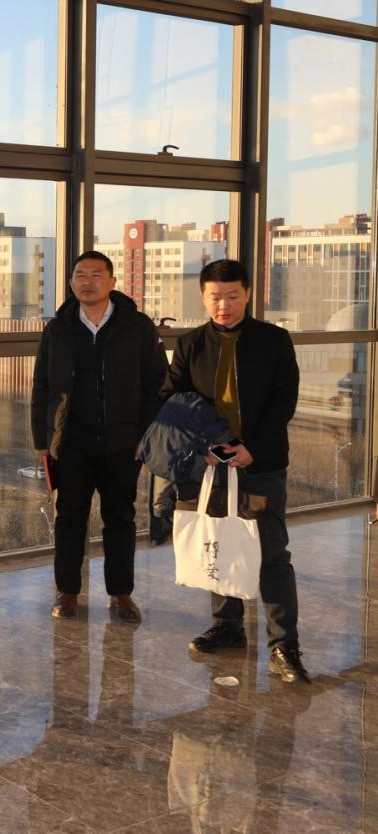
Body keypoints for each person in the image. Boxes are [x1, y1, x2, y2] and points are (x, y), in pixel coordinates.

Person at [165, 258, 309, 684]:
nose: (223, 305)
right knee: (219, 541)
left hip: (260, 464)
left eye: (232, 296)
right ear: (203, 297)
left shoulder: (274, 340)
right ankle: (227, 626)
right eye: (215, 297)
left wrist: (252, 448)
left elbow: (283, 401)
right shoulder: (190, 343)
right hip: (211, 464)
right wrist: (203, 447)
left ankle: (284, 645)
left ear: (247, 294)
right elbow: (173, 399)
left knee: (271, 554)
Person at [31, 250, 167, 623]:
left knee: (120, 518)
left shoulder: (137, 326)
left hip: (123, 443)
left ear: (112, 282)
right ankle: (67, 592)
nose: (87, 282)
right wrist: (43, 440)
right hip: (71, 442)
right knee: (69, 518)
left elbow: (157, 384)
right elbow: (42, 387)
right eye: (80, 275)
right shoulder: (58, 329)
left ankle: (121, 594)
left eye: (95, 274)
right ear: (71, 283)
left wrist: (146, 436)